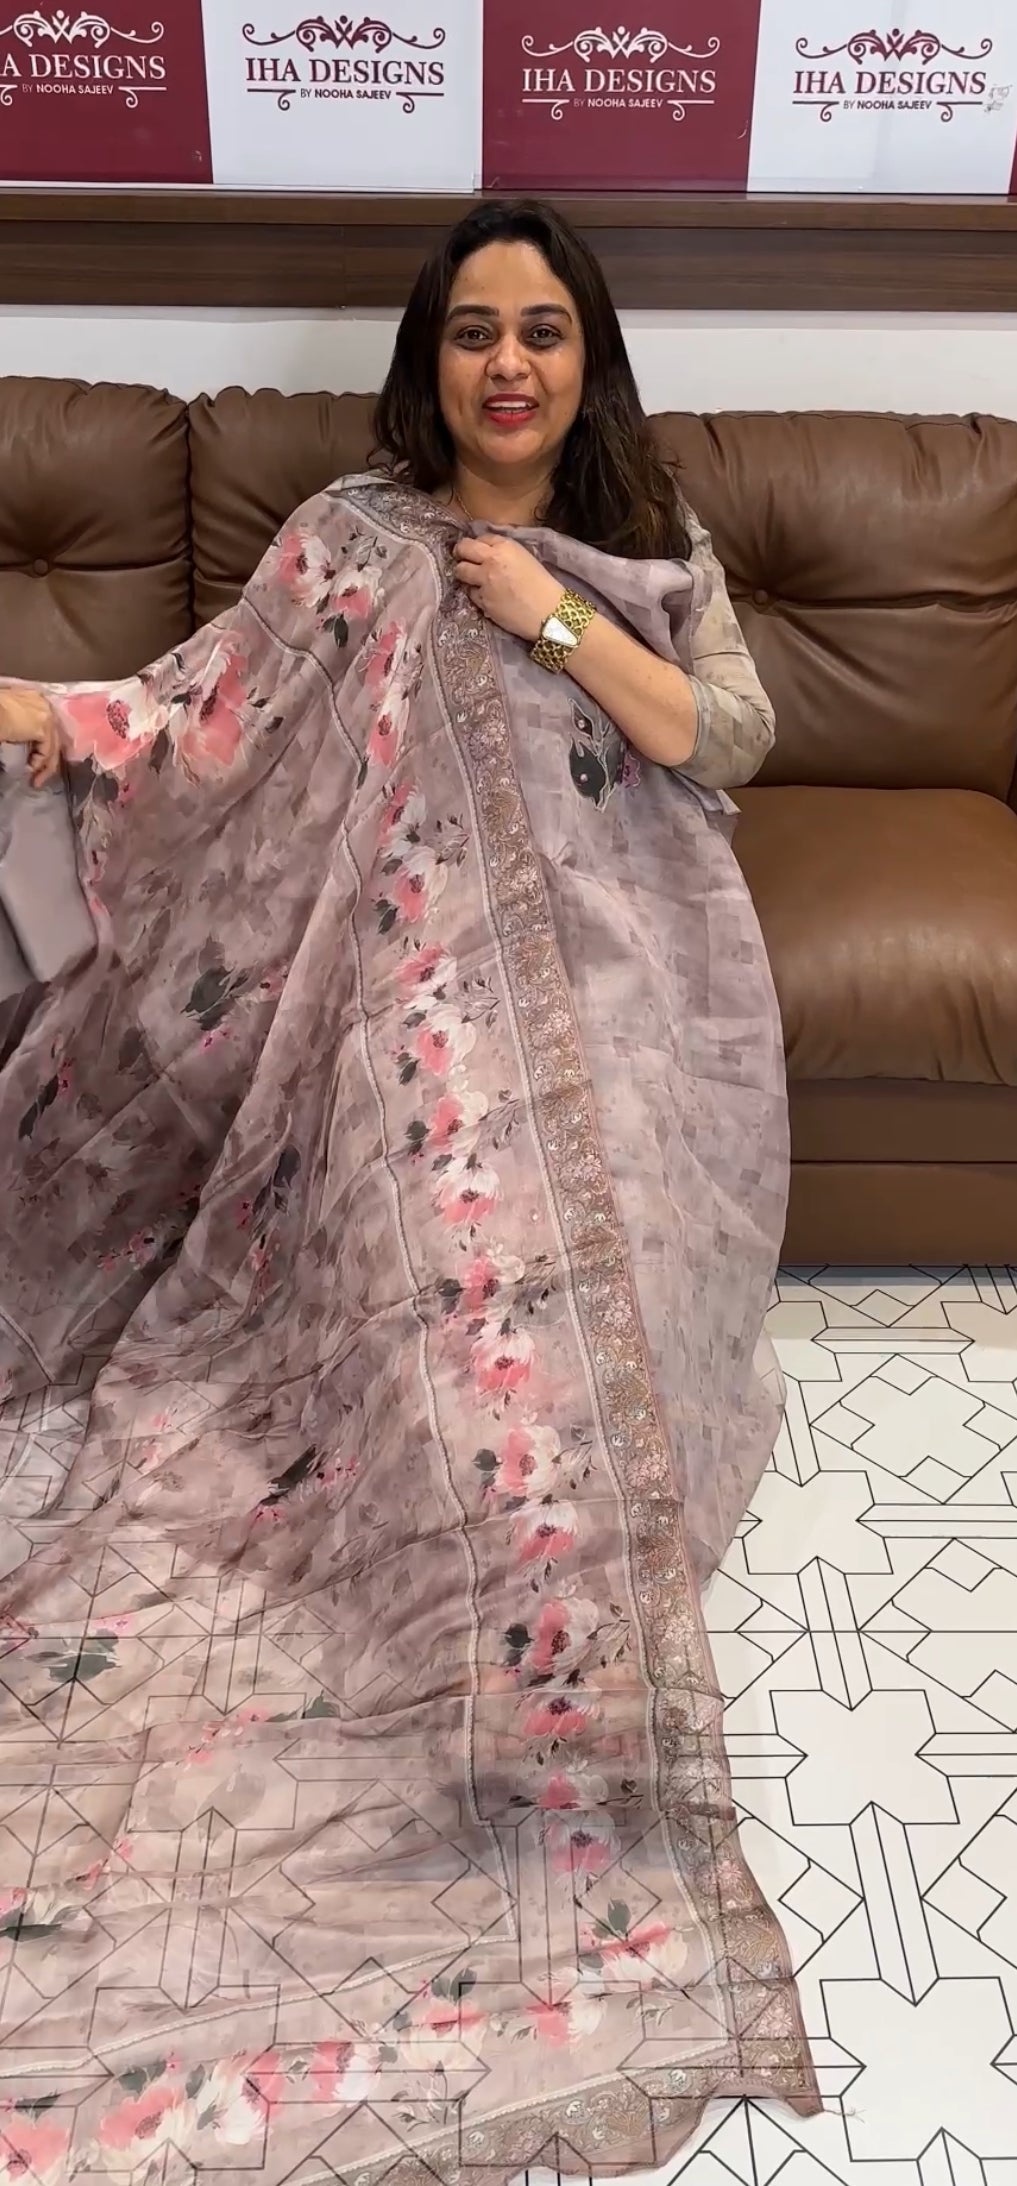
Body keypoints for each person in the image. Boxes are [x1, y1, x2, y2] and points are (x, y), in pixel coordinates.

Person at [0, 201, 817, 2179]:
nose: (506, 365)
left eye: (541, 330)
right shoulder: (349, 544)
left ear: (586, 358)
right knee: (435, 1339)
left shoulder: (642, 546)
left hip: (627, 997)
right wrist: (49, 719)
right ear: (428, 358)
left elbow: (730, 733)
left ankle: (553, 1728)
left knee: (588, 1354)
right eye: (472, 332)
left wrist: (548, 616)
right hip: (389, 998)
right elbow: (197, 718)